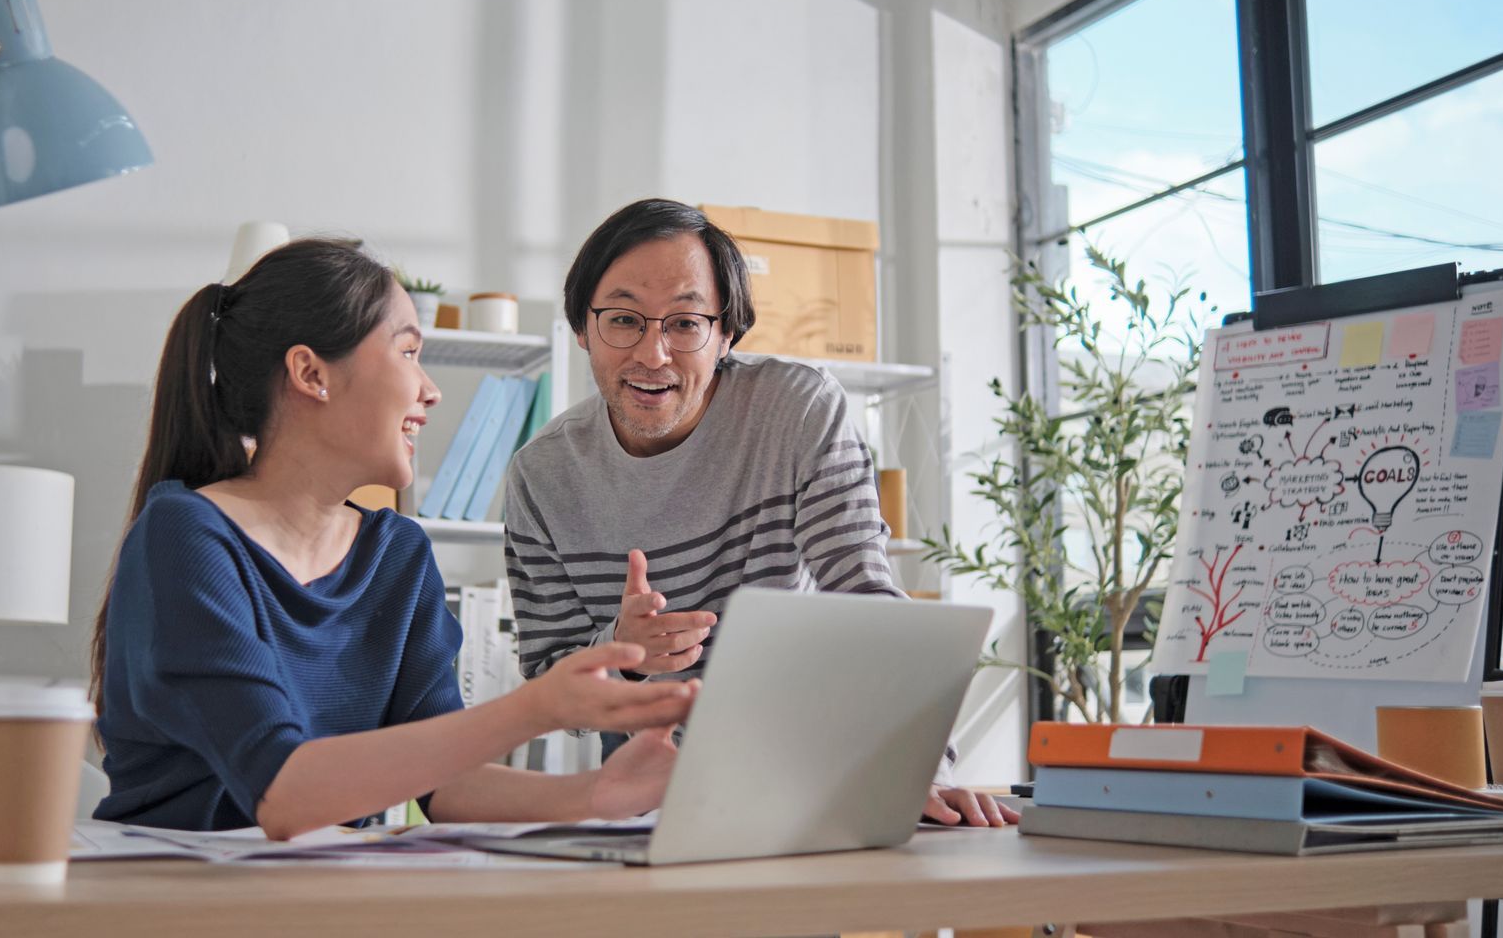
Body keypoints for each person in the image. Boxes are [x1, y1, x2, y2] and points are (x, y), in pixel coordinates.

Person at [89, 238, 697, 838]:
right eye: (408, 352)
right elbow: (282, 792)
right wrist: (534, 710)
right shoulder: (186, 536)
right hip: (172, 903)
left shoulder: (397, 555)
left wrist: (596, 793)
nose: (429, 390)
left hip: (319, 898)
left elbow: (447, 787)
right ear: (310, 373)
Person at [502, 199, 1018, 827]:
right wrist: (621, 651)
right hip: (643, 800)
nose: (653, 353)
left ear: (725, 334)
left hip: (807, 780)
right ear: (582, 327)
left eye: (686, 324)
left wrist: (922, 773)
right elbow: (546, 688)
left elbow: (865, 600)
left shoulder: (796, 411)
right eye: (623, 319)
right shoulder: (541, 476)